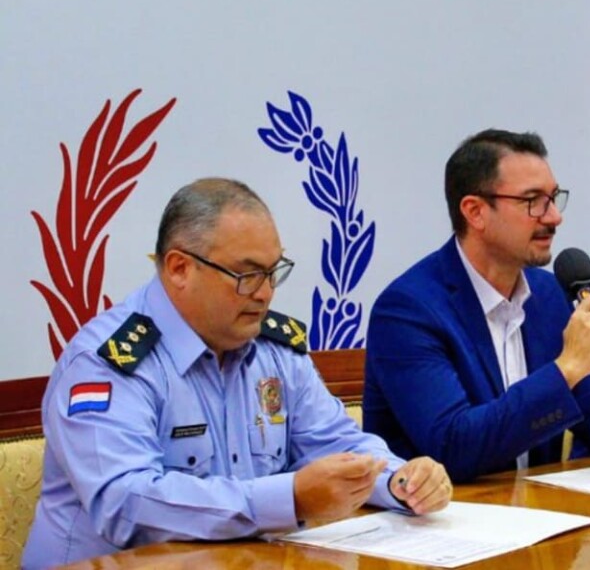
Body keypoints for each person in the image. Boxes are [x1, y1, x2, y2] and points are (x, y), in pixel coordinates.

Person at [24, 179, 451, 569]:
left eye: (272, 272)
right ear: (179, 268)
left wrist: (400, 481)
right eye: (246, 275)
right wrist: (289, 498)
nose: (265, 293)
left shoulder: (274, 349)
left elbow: (336, 444)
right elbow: (126, 504)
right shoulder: (108, 362)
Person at [364, 129, 590, 482]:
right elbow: (452, 446)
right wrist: (567, 367)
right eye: (533, 201)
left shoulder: (548, 294)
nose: (554, 217)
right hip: (444, 510)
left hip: (534, 505)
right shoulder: (408, 311)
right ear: (475, 211)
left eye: (554, 198)